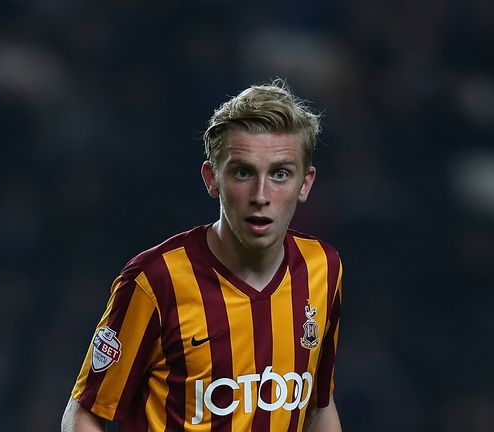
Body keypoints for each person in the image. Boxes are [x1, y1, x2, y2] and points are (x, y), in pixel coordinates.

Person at [61, 80, 343, 432]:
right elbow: (85, 411)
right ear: (212, 179)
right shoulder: (157, 279)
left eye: (280, 174)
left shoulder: (323, 267)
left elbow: (319, 405)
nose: (260, 195)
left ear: (306, 183)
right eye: (242, 172)